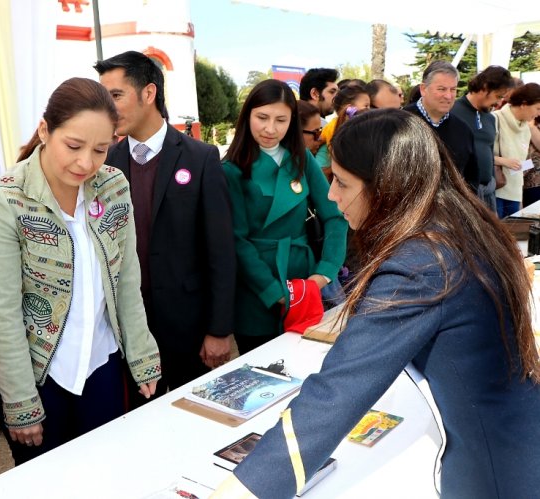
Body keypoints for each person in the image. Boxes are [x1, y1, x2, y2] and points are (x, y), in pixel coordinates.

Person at [211, 109, 540, 499]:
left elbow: (336, 392)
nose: (332, 196)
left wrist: (241, 491)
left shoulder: (420, 265)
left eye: (343, 184)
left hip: (492, 472)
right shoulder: (459, 224)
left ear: (386, 188)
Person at [0, 78, 162, 465]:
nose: (86, 163)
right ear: (45, 130)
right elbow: (0, 312)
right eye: (73, 146)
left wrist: (142, 357)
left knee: (108, 475)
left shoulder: (112, 186)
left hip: (101, 364)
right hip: (40, 373)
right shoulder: (6, 198)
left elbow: (127, 278)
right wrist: (20, 400)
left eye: (100, 149)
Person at [94, 51, 236, 394]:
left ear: (148, 93)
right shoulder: (104, 164)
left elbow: (220, 250)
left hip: (190, 329)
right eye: (104, 98)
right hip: (130, 331)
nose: (108, 109)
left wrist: (219, 329)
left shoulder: (200, 158)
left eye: (116, 96)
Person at [222, 79, 347, 353]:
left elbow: (335, 215)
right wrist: (273, 292)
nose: (270, 128)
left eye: (281, 120)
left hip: (305, 282)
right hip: (256, 290)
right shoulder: (231, 168)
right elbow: (237, 240)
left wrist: (325, 272)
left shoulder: (301, 157)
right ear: (247, 116)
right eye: (262, 117)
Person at [404, 60, 479, 192]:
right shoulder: (400, 122)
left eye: (453, 89)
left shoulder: (463, 130)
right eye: (441, 89)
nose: (448, 96)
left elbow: (471, 176)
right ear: (423, 89)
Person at [450, 65, 514, 212]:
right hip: (462, 196)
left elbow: (489, 154)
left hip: (488, 194)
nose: (498, 103)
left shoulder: (491, 119)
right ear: (485, 87)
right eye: (498, 96)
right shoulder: (452, 112)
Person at [493, 82, 540, 218]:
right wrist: (503, 161)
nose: (538, 114)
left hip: (515, 192)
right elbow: (480, 154)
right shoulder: (496, 119)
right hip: (497, 190)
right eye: (537, 108)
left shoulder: (526, 127)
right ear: (524, 104)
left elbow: (521, 164)